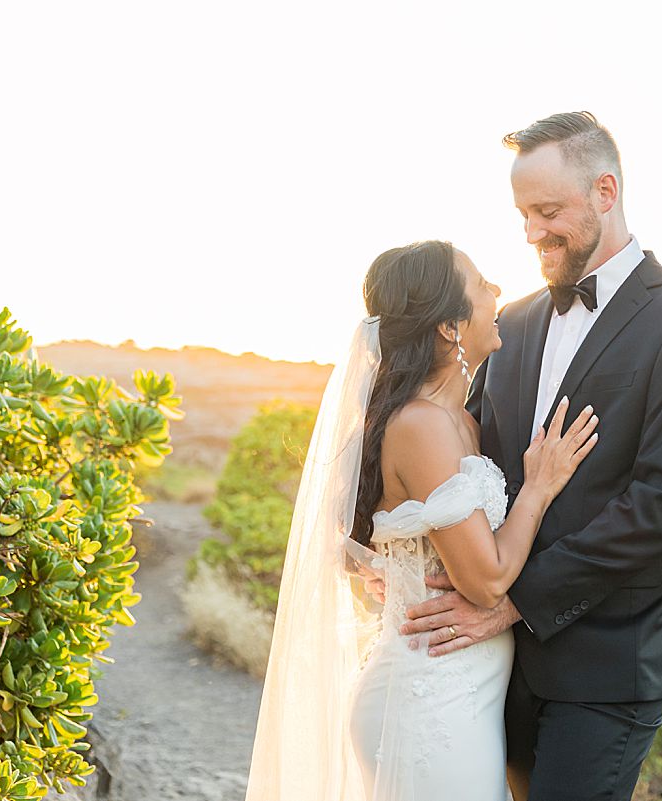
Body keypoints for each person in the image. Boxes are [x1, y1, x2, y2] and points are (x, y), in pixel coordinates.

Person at [401, 112, 662, 801]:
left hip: (610, 664)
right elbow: (465, 462)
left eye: (548, 211)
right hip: (491, 665)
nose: (531, 231)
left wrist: (515, 602)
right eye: (523, 213)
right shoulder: (512, 323)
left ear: (606, 192)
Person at [242, 239, 599, 800]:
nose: (497, 290)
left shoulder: (458, 421)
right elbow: (485, 581)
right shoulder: (422, 426)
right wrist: (540, 485)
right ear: (451, 327)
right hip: (429, 703)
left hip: (459, 695)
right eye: (482, 284)